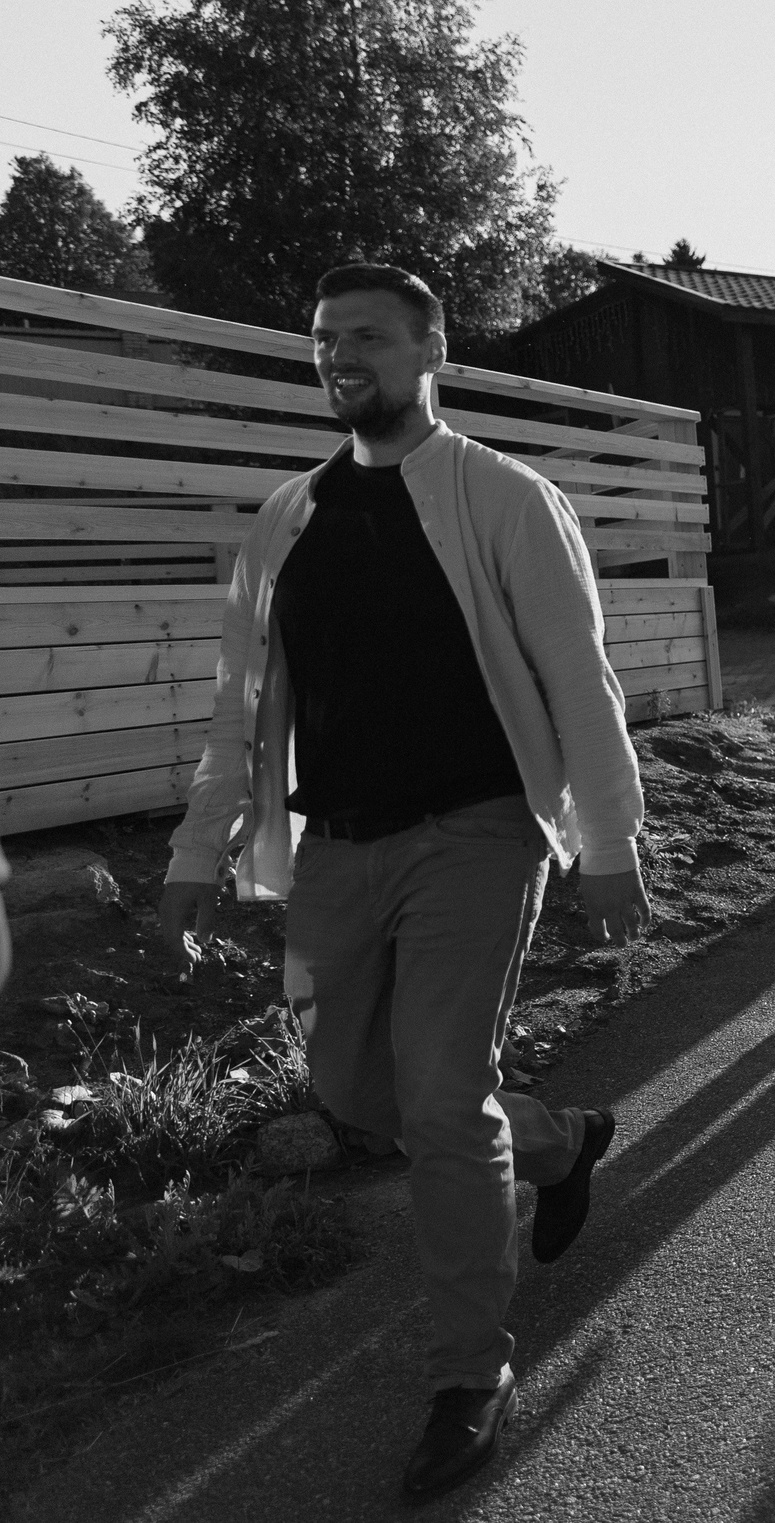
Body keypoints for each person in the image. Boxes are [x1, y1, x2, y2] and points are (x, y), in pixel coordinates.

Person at [157, 263, 651, 1500]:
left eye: (367, 336)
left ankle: (467, 1379)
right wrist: (192, 850)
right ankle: (551, 1138)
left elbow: (579, 683)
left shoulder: (504, 499)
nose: (340, 356)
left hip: (477, 834)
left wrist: (608, 843)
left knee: (434, 1101)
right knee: (350, 1084)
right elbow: (240, 706)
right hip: (337, 847)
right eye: (325, 339)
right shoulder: (286, 520)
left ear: (434, 348)